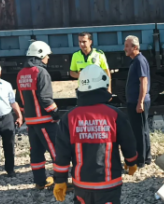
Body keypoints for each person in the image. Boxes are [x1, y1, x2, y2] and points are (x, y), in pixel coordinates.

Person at [53, 64, 138, 204]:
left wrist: (60, 180)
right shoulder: (115, 115)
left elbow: (62, 153)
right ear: (103, 85)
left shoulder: (69, 118)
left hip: (82, 185)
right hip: (109, 183)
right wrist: (131, 161)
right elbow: (128, 142)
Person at [15, 41, 72, 190]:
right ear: (40, 55)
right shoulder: (41, 72)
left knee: (36, 153)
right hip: (45, 121)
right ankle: (62, 183)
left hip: (31, 122)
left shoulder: (21, 73)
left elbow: (19, 100)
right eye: (47, 56)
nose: (48, 59)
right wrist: (55, 113)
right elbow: (45, 98)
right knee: (57, 151)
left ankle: (40, 182)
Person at [0, 62, 23, 183]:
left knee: (9, 145)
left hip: (6, 119)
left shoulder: (7, 85)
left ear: (0, 72)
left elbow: (13, 102)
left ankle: (10, 170)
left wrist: (19, 116)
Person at [124, 35, 152, 168]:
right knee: (143, 130)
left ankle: (140, 160)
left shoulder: (139, 61)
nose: (125, 48)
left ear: (135, 47)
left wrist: (139, 102)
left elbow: (143, 81)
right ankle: (147, 157)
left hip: (137, 101)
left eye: (127, 46)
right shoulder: (137, 60)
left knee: (138, 131)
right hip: (137, 100)